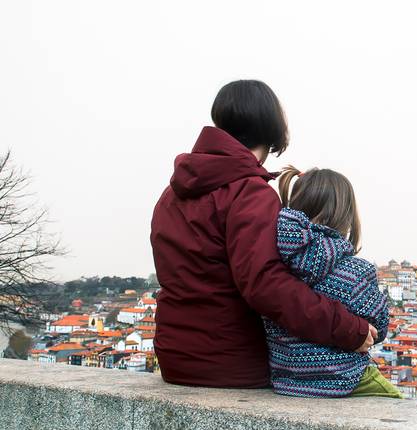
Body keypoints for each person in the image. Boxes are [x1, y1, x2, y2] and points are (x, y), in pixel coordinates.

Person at [150, 80, 375, 387]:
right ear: (271, 132)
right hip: (231, 363)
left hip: (174, 358)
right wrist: (350, 329)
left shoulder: (171, 194)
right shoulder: (249, 192)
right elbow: (267, 286)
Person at [265, 166, 400, 398]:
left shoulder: (274, 266)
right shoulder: (357, 272)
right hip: (345, 378)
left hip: (286, 381)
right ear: (345, 216)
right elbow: (379, 328)